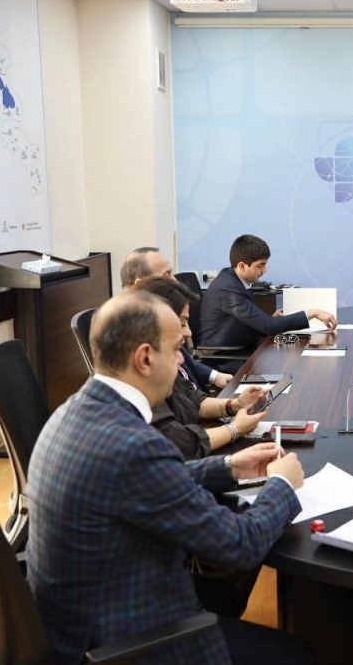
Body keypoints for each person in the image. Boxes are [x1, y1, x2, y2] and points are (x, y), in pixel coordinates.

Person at [27, 291, 313, 664]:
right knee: (299, 654)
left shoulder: (75, 411)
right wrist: (282, 485)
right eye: (176, 349)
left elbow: (143, 481)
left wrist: (228, 467)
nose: (181, 360)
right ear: (145, 357)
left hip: (79, 623)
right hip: (128, 642)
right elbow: (238, 544)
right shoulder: (135, 445)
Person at [135, 277, 267, 459]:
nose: (189, 332)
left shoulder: (161, 362)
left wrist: (235, 404)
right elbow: (181, 444)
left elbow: (192, 400)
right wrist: (235, 429)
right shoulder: (145, 382)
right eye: (182, 323)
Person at [120, 246, 233, 390]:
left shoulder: (159, 313)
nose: (175, 281)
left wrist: (215, 376)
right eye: (167, 275)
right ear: (142, 284)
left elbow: (185, 362)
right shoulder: (133, 331)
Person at [200, 234, 337, 349]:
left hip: (240, 345)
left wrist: (270, 319)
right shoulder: (228, 289)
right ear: (242, 266)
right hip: (225, 356)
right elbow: (268, 326)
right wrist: (313, 313)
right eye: (260, 266)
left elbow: (259, 323)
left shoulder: (233, 280)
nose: (265, 271)